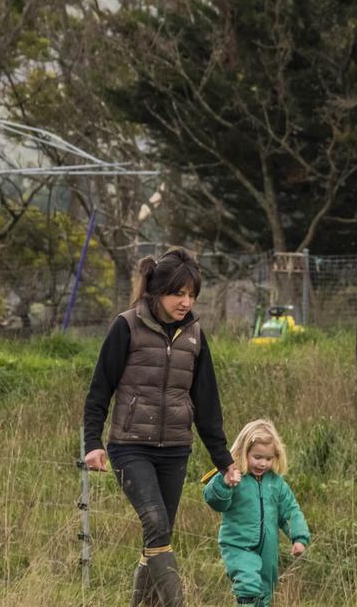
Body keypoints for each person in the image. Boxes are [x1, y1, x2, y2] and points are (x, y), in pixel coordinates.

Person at [82, 247, 242, 606]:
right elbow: (99, 389)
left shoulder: (195, 335)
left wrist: (223, 459)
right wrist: (92, 442)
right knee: (155, 522)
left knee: (158, 536)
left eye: (192, 295)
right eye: (178, 293)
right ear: (156, 292)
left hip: (175, 449)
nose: (186, 302)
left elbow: (207, 402)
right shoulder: (126, 326)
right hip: (129, 445)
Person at [203, 419, 310, 607]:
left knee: (264, 594)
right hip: (239, 547)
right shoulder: (234, 476)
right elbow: (214, 500)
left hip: (268, 551)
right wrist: (225, 483)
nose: (263, 463)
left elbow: (290, 511)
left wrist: (299, 538)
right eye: (257, 457)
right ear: (244, 452)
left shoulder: (276, 483)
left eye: (268, 459)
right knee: (249, 588)